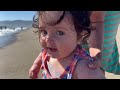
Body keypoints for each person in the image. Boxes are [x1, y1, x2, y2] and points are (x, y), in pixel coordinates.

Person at [29, 11, 105, 79]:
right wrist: (36, 65)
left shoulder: (82, 67)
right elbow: (42, 55)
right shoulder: (48, 51)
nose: (48, 38)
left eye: (60, 33)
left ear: (79, 37)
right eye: (44, 32)